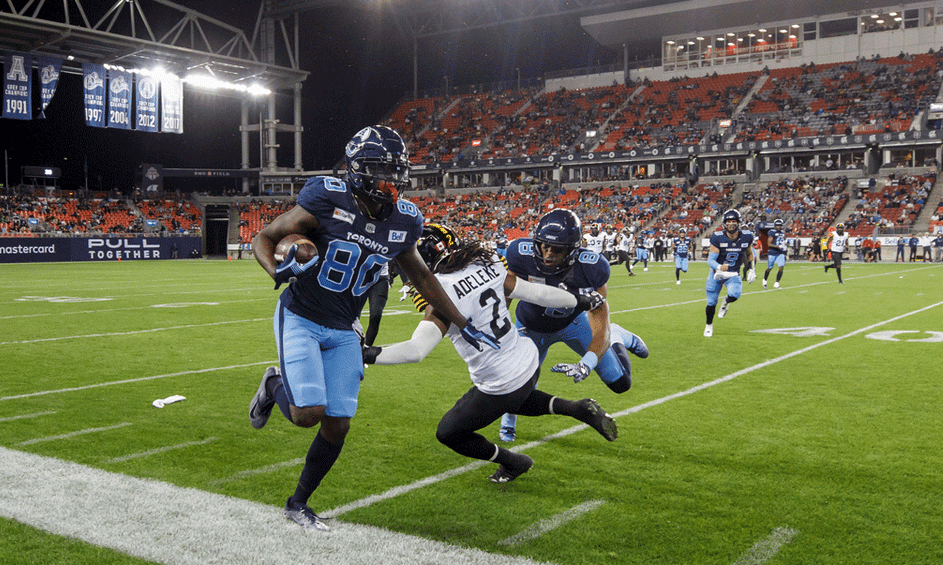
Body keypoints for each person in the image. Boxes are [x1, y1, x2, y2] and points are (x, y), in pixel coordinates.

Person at [246, 125, 500, 532]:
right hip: (303, 316)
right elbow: (264, 236)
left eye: (397, 169)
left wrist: (462, 322)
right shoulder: (327, 197)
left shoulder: (405, 218)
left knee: (339, 422)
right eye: (384, 168)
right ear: (359, 168)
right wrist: (277, 271)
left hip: (345, 325)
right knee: (307, 413)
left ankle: (298, 503)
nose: (393, 178)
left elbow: (421, 276)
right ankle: (272, 384)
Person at [364, 224, 617, 483]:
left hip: (500, 380)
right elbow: (537, 292)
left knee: (449, 432)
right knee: (516, 396)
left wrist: (367, 354)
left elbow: (416, 350)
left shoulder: (440, 295)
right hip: (527, 359)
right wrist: (581, 301)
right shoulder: (485, 265)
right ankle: (576, 408)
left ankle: (513, 462)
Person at [496, 208, 649, 443]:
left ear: (573, 249)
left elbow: (599, 325)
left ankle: (619, 335)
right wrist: (498, 326)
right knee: (517, 381)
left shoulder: (592, 267)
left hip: (574, 323)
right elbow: (506, 293)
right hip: (530, 326)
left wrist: (587, 364)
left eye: (556, 249)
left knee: (621, 384)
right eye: (543, 246)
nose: (547, 254)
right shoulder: (519, 252)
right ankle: (508, 421)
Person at [703, 210, 756, 337]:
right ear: (724, 223)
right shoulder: (717, 237)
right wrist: (720, 267)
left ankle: (725, 302)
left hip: (733, 274)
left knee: (735, 295)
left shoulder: (746, 236)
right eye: (728, 222)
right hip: (716, 273)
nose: (731, 224)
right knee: (711, 302)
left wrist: (752, 269)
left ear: (738, 223)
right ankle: (709, 325)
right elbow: (710, 260)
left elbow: (749, 253)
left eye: (733, 221)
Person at [762, 218, 787, 289]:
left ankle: (777, 283)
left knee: (781, 267)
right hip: (772, 252)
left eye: (780, 225)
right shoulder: (772, 232)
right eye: (777, 225)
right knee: (770, 267)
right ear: (775, 225)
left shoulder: (782, 233)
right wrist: (778, 246)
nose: (778, 227)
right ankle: (765, 280)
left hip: (780, 253)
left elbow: (784, 241)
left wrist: (785, 244)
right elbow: (769, 244)